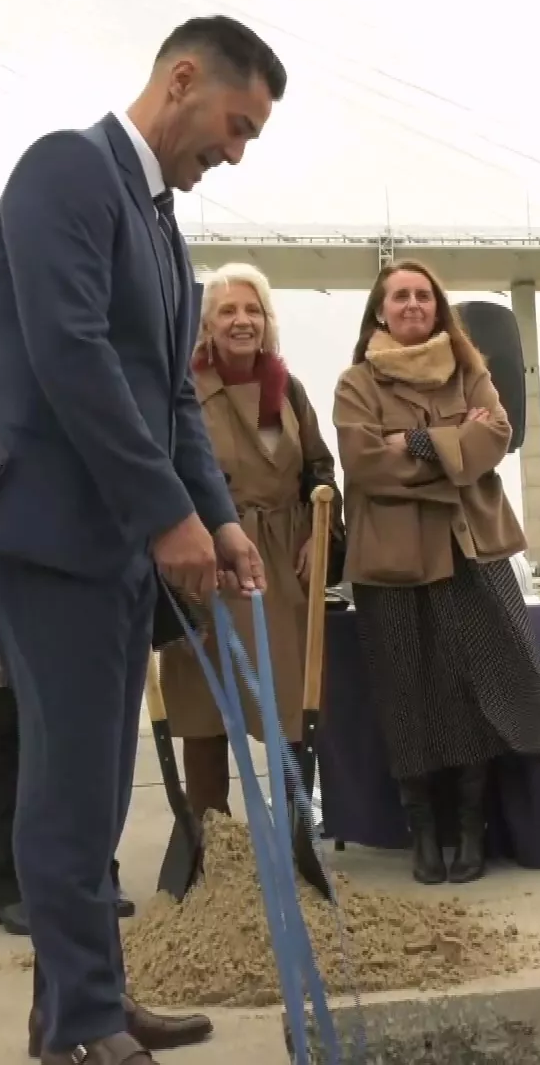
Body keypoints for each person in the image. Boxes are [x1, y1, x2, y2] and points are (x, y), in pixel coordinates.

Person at [0, 17, 283, 1065]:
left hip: (104, 540)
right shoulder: (67, 171)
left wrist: (219, 518)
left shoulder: (163, 230)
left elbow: (172, 400)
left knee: (95, 779)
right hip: (44, 526)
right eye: (235, 126)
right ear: (182, 79)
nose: (234, 153)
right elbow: (72, 355)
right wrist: (166, 517)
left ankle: (83, 1003)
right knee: (67, 776)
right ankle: (82, 1027)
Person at [333, 258, 540, 887]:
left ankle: (470, 828)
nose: (413, 305)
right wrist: (451, 451)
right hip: (392, 566)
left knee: (474, 690)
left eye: (424, 297)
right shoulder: (356, 382)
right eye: (400, 297)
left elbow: (497, 436)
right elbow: (363, 464)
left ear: (438, 308)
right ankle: (423, 833)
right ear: (380, 311)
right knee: (405, 694)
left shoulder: (471, 371)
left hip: (472, 552)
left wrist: (412, 443)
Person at [158, 262, 340, 820]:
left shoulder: (285, 389)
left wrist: (318, 531)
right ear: (207, 326)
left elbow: (319, 468)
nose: (243, 320)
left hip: (276, 564)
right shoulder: (182, 387)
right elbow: (164, 467)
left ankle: (294, 828)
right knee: (205, 701)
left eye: (253, 309)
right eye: (228, 311)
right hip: (208, 558)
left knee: (287, 699)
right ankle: (211, 836)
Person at [0, 557, 137, 936]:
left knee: (81, 729)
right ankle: (11, 886)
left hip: (72, 560)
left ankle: (88, 874)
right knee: (0, 723)